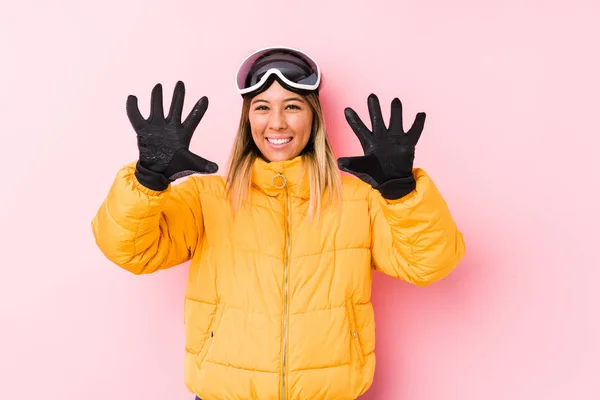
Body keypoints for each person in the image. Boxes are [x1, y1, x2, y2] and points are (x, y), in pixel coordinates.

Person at [91, 46, 466, 400]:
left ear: (313, 116)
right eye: (261, 107)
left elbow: (428, 264)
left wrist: (401, 192)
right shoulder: (205, 198)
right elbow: (130, 252)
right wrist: (148, 180)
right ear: (247, 118)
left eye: (292, 106)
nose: (277, 122)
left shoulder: (358, 199)